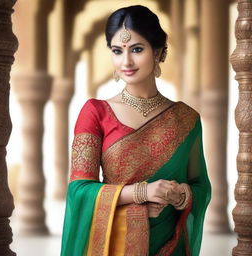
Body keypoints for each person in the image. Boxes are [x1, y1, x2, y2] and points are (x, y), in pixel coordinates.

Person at [60, 5, 211, 256]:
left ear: (159, 52)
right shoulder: (95, 112)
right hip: (114, 243)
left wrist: (179, 195)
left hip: (169, 243)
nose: (126, 61)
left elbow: (200, 186)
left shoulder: (187, 119)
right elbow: (79, 190)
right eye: (117, 51)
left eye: (137, 49)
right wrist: (142, 193)